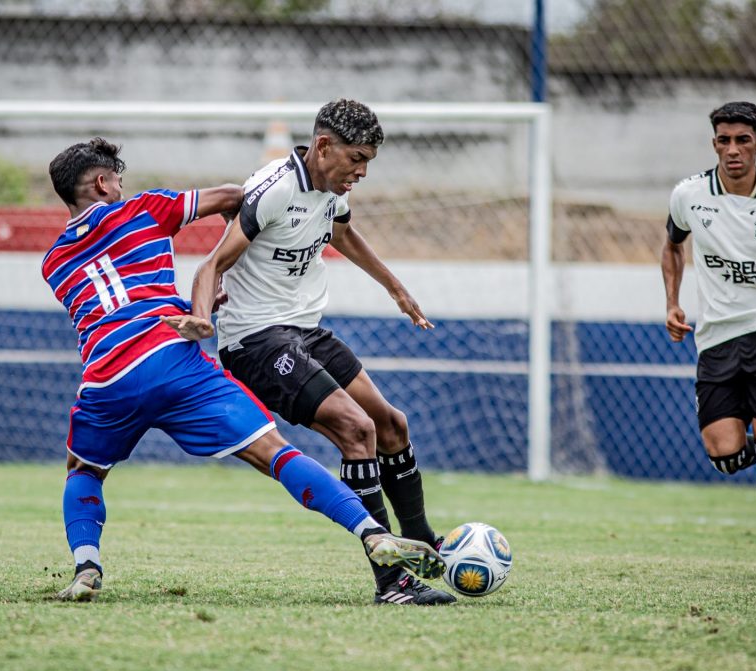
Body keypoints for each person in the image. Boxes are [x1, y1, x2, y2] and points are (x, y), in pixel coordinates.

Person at [43, 137, 444, 602]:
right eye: (117, 180)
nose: (121, 187)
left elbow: (113, 306)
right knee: (277, 454)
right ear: (101, 181)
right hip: (173, 358)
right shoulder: (146, 208)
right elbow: (236, 196)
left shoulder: (53, 263)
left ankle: (86, 565)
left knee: (84, 472)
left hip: (107, 377)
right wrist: (232, 260)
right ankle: (372, 533)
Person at [179, 99, 455, 605]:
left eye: (369, 160)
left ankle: (424, 545)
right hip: (256, 341)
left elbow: (344, 234)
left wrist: (396, 288)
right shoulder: (276, 189)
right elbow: (210, 265)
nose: (362, 172)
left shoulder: (330, 188)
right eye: (357, 158)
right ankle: (392, 582)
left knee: (392, 424)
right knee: (358, 429)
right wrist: (201, 318)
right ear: (324, 146)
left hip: (304, 330)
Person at [662, 101, 756, 581]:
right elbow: (672, 245)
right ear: (714, 145)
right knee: (724, 456)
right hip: (715, 340)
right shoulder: (689, 194)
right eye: (724, 140)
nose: (732, 150)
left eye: (742, 140)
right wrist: (673, 303)